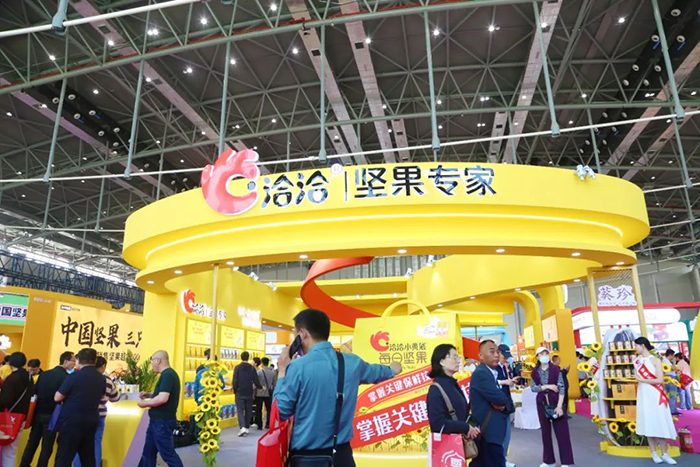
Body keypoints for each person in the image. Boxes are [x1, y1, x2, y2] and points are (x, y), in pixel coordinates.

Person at [275, 308, 400, 466]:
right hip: (342, 456)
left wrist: (282, 371)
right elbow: (378, 372)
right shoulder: (353, 363)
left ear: (303, 333)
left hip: (307, 458)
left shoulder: (297, 367)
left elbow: (280, 412)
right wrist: (392, 369)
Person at [19, 351, 75, 467]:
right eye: (73, 361)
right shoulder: (66, 377)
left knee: (32, 443)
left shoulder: (44, 374)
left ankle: (23, 465)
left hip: (37, 413)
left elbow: (35, 391)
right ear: (66, 361)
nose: (74, 364)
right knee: (47, 446)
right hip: (53, 415)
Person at [54, 348, 106, 467]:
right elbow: (102, 396)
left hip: (72, 421)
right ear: (95, 360)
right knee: (88, 456)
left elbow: (57, 397)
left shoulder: (74, 376)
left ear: (78, 360)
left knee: (64, 456)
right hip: (91, 419)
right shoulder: (101, 378)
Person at [634, 337, 677, 464]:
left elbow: (660, 379)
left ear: (643, 345)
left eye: (636, 345)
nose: (635, 348)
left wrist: (642, 380)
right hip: (644, 395)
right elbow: (636, 376)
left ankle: (664, 453)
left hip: (656, 394)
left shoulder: (656, 360)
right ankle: (653, 452)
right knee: (648, 422)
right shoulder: (636, 361)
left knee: (661, 421)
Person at [138, 351, 184, 467]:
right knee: (148, 452)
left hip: (162, 421)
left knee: (167, 454)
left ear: (158, 361)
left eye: (152, 361)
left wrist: (145, 403)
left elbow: (163, 398)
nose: (151, 364)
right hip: (157, 421)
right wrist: (149, 395)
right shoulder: (167, 374)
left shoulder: (168, 375)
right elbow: (162, 394)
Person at [469, 340, 511, 467]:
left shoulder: (491, 372)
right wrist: (503, 403)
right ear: (481, 356)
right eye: (492, 352)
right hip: (488, 433)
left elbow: (501, 399)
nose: (497, 355)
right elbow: (501, 398)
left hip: (488, 432)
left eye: (497, 352)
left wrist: (503, 404)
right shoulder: (482, 373)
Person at [73, 356, 120, 467]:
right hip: (99, 416)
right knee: (96, 443)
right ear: (103, 366)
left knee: (79, 443)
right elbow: (115, 398)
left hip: (82, 414)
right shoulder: (107, 380)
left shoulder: (82, 376)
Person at [530, 347, 574, 467]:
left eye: (546, 353)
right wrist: (547, 386)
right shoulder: (535, 372)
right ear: (537, 356)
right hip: (542, 403)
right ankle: (549, 461)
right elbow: (533, 388)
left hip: (556, 401)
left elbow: (561, 388)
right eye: (541, 354)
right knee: (545, 433)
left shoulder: (555, 369)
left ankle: (566, 461)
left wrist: (560, 406)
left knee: (562, 432)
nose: (544, 355)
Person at [427, 344, 480, 439]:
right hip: (449, 444)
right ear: (442, 362)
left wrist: (471, 426)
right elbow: (438, 424)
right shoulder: (436, 389)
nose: (458, 361)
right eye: (454, 357)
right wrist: (465, 427)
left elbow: (462, 415)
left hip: (461, 440)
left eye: (458, 357)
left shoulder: (453, 384)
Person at [0, 352, 34, 465]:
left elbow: (5, 401)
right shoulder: (29, 378)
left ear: (10, 362)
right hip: (20, 418)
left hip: (6, 418)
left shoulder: (11, 379)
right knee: (10, 451)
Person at [497, 345, 519, 467]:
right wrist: (504, 382)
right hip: (497, 405)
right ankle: (500, 461)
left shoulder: (504, 367)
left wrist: (510, 381)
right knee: (499, 435)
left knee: (507, 434)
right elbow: (491, 383)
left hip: (506, 403)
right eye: (504, 356)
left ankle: (503, 459)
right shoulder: (492, 368)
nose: (505, 359)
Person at [232, 351, 261, 436]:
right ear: (248, 358)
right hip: (249, 391)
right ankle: (247, 427)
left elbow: (235, 380)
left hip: (240, 391)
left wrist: (235, 390)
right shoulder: (252, 368)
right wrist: (260, 387)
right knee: (248, 410)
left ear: (241, 357)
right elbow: (256, 380)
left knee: (240, 410)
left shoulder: (237, 368)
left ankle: (242, 427)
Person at [254, 357, 276, 430]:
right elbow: (274, 384)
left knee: (258, 409)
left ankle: (259, 425)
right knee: (269, 409)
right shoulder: (272, 373)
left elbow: (256, 383)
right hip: (268, 394)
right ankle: (268, 424)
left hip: (259, 393)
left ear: (262, 363)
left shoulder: (259, 372)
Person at [551, 354, 571, 419]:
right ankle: (563, 414)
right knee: (563, 400)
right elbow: (562, 374)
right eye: (559, 359)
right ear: (557, 360)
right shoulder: (556, 368)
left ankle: (564, 413)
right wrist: (565, 369)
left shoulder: (556, 368)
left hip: (562, 386)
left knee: (564, 400)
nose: (560, 360)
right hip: (562, 387)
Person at [662, 349, 680, 416]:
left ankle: (673, 409)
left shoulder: (665, 360)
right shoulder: (666, 361)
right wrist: (674, 363)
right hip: (670, 378)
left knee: (671, 394)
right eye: (673, 355)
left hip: (668, 378)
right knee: (673, 394)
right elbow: (674, 369)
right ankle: (672, 410)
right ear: (670, 355)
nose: (673, 357)